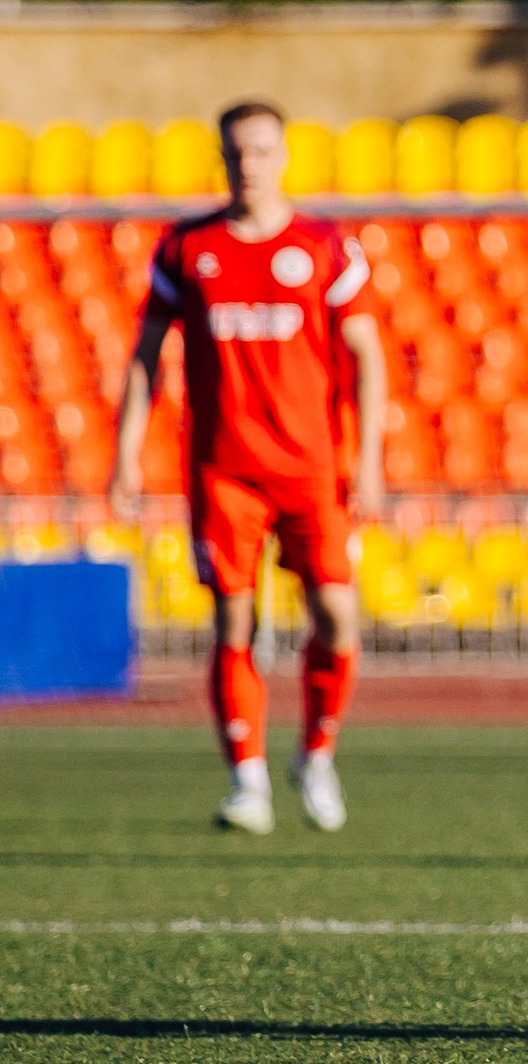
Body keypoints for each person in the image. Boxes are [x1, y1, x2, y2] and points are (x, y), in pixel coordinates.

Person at [110, 102, 387, 836]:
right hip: (224, 469)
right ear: (222, 157)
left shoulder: (325, 247)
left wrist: (372, 458)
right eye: (236, 152)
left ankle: (317, 753)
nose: (248, 164)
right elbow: (145, 357)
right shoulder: (186, 248)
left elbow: (367, 355)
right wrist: (125, 452)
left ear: (285, 155)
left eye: (261, 150)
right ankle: (248, 778)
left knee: (336, 613)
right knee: (235, 617)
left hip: (312, 467)